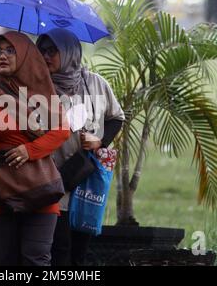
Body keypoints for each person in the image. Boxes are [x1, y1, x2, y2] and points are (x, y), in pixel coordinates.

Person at [0, 31, 70, 266]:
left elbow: (62, 130)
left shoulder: (41, 90)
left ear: (25, 55)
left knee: (36, 259)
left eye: (11, 51)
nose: (3, 56)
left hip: (37, 185)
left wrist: (29, 150)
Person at [36, 28, 125, 266]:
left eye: (52, 51)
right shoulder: (36, 87)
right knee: (59, 246)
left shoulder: (95, 83)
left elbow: (116, 117)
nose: (45, 56)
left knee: (80, 248)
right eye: (41, 51)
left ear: (69, 53)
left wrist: (100, 142)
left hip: (86, 179)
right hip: (54, 179)